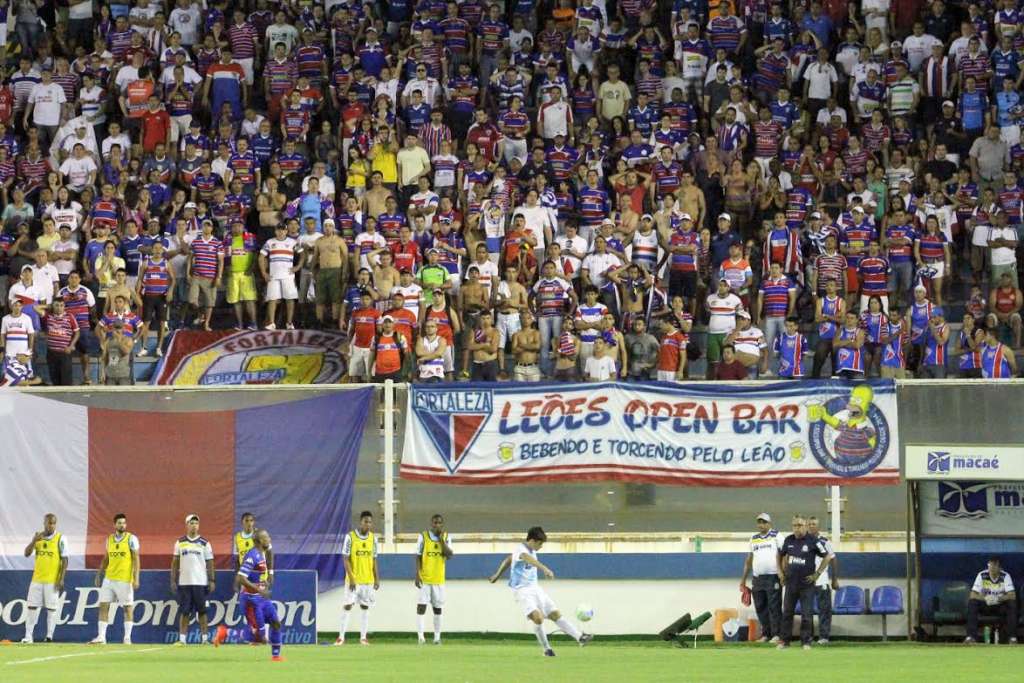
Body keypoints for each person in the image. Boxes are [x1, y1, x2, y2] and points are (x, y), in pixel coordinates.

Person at [488, 526, 592, 656]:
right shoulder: (522, 550)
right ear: (532, 540)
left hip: (535, 588)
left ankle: (580, 637)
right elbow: (526, 557)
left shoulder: (529, 550)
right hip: (522, 590)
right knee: (538, 618)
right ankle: (547, 649)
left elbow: (509, 559)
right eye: (540, 543)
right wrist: (545, 569)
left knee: (555, 614)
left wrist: (497, 575)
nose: (541, 546)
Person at [216, 529, 284, 661]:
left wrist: (270, 573)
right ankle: (226, 632)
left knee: (276, 623)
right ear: (260, 541)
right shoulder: (252, 556)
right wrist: (259, 590)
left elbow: (270, 553)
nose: (269, 539)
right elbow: (241, 577)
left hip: (262, 599)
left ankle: (276, 656)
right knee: (260, 638)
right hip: (251, 601)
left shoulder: (262, 551)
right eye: (267, 537)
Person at [777, 514, 833, 650]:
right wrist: (780, 572)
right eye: (795, 525)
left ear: (805, 526)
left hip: (806, 585)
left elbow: (827, 556)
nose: (797, 528)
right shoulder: (788, 540)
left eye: (800, 525)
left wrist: (817, 574)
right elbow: (780, 555)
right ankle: (784, 641)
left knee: (807, 615)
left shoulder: (813, 540)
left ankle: (806, 642)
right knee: (787, 613)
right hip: (791, 583)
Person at [90, 513, 140, 645]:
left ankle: (127, 637)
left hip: (124, 579)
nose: (122, 525)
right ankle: (101, 637)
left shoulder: (131, 539)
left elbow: (136, 559)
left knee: (127, 607)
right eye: (119, 523)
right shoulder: (109, 539)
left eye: (124, 523)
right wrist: (99, 573)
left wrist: (136, 578)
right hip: (109, 578)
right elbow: (106, 558)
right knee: (103, 606)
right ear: (114, 525)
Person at [21, 513, 67, 643]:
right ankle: (28, 636)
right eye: (49, 523)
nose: (51, 525)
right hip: (37, 580)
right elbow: (26, 553)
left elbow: (65, 560)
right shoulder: (38, 538)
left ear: (55, 524)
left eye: (53, 523)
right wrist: (34, 540)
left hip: (52, 581)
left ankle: (49, 636)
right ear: (44, 523)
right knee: (32, 607)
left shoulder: (60, 538)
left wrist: (61, 578)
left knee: (52, 608)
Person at [171, 513, 215, 645]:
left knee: (202, 611)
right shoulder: (180, 543)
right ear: (187, 525)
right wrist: (173, 580)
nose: (194, 526)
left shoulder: (205, 543)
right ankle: (182, 640)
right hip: (185, 582)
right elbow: (175, 562)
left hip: (200, 582)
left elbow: (210, 563)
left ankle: (205, 639)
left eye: (196, 523)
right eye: (191, 523)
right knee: (185, 612)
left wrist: (212, 580)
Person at [739, 513, 783, 643]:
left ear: (770, 523)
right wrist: (743, 579)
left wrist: (783, 573)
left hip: (773, 577)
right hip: (758, 578)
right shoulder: (753, 538)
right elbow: (749, 560)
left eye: (764, 522)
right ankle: (766, 634)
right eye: (759, 522)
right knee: (760, 607)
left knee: (774, 607)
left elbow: (784, 555)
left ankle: (777, 635)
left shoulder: (777, 536)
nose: (761, 525)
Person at [338, 510, 380, 646]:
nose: (368, 524)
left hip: (368, 580)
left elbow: (374, 559)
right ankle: (341, 637)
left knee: (365, 607)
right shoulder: (350, 537)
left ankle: (363, 638)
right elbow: (345, 559)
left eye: (370, 522)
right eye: (365, 522)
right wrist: (351, 578)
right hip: (354, 580)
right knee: (348, 605)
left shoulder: (373, 539)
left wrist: (377, 578)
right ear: (360, 522)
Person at [415, 514, 454, 645]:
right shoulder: (423, 536)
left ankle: (437, 637)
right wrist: (417, 574)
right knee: (421, 607)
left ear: (442, 525)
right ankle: (421, 637)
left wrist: (441, 540)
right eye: (435, 523)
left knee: (437, 609)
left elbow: (449, 555)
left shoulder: (446, 537)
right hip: (425, 579)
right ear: (431, 524)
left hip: (438, 580)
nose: (437, 525)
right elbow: (417, 556)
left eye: (439, 523)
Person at [966, 556, 1018, 644]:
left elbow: (1012, 595)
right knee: (972, 602)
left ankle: (1012, 638)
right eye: (990, 565)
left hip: (999, 606)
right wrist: (986, 598)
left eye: (995, 565)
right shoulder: (982, 575)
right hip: (985, 605)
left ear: (999, 567)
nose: (992, 568)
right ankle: (971, 637)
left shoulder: (1005, 576)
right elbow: (973, 594)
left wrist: (998, 598)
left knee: (1012, 604)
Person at [806, 517, 839, 645]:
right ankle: (808, 637)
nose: (811, 526)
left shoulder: (825, 542)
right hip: (806, 582)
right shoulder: (802, 541)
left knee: (824, 610)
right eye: (809, 524)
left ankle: (824, 637)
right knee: (807, 611)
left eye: (814, 524)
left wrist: (834, 579)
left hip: (822, 581)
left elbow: (833, 559)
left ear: (818, 526)